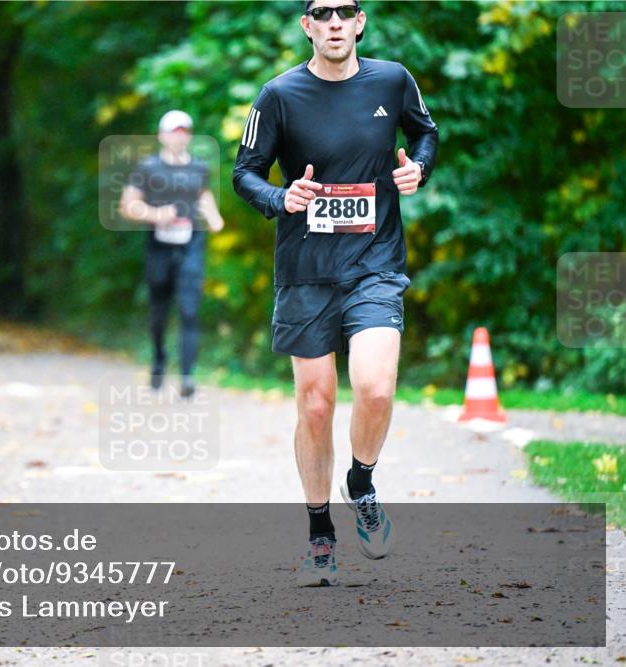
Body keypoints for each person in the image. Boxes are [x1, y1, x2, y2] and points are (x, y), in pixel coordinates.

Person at [232, 0, 438, 586]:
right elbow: (244, 172)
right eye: (321, 13)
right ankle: (320, 535)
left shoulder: (392, 80)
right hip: (305, 270)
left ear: (360, 21)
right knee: (316, 405)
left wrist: (418, 168)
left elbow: (425, 133)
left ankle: (361, 482)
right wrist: (281, 198)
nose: (334, 23)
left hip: (375, 263)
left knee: (375, 388)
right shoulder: (278, 95)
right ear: (307, 26)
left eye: (345, 11)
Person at [119, 110, 225, 397]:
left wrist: (214, 217)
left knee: (190, 309)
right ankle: (158, 362)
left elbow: (203, 195)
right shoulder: (147, 168)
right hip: (159, 246)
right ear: (162, 136)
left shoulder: (198, 168)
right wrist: (156, 214)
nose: (180, 137)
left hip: (191, 244)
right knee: (159, 312)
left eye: (184, 132)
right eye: (174, 132)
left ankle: (187, 377)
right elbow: (127, 205)